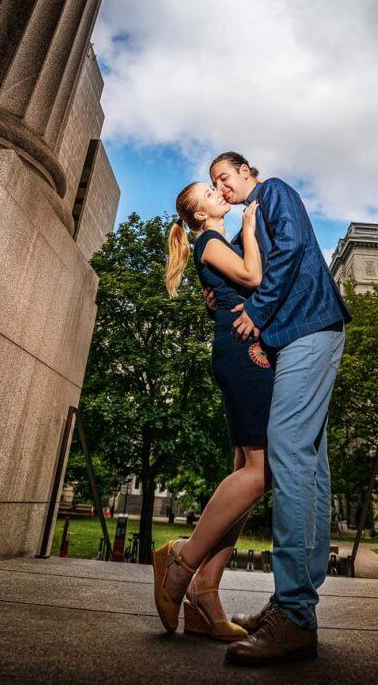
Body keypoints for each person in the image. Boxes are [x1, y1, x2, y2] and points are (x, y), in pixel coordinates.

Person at [209, 152, 352, 666]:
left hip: (309, 328)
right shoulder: (252, 210)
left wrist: (258, 312)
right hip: (302, 335)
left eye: (225, 179)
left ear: (248, 171)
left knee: (287, 449)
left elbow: (290, 249)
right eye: (216, 186)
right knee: (309, 460)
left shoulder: (274, 192)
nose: (222, 190)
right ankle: (293, 605)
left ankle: (293, 615)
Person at [153, 182, 275, 642]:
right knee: (262, 470)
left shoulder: (209, 242)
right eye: (209, 191)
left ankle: (207, 594)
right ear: (197, 213)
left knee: (248, 470)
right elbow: (252, 278)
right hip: (242, 355)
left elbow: (226, 294)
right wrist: (248, 226)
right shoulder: (209, 240)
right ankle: (183, 562)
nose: (219, 192)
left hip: (240, 350)